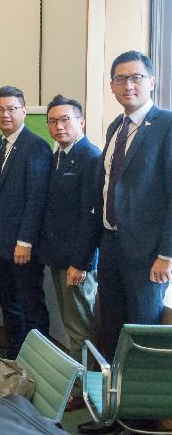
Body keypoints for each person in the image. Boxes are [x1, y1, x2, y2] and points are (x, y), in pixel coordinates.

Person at [95, 51, 172, 359]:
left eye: (136, 77)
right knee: (109, 325)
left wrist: (166, 254)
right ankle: (110, 397)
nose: (128, 85)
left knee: (142, 331)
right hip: (110, 244)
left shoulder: (166, 125)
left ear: (151, 82)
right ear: (112, 86)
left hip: (149, 253)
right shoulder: (116, 126)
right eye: (120, 79)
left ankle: (142, 406)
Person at [39, 94, 100, 412]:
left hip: (77, 263)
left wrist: (81, 263)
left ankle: (87, 393)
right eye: (53, 121)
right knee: (71, 325)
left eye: (66, 119)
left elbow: (91, 216)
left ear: (81, 121)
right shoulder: (59, 155)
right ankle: (81, 385)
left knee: (80, 329)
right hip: (59, 258)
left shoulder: (90, 157)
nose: (59, 126)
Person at [0, 85, 52, 359]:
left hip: (22, 246)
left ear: (24, 111)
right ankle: (14, 358)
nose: (5, 115)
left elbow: (36, 199)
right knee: (9, 305)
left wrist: (24, 241)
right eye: (0, 109)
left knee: (31, 307)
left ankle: (38, 364)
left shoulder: (36, 146)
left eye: (12, 109)